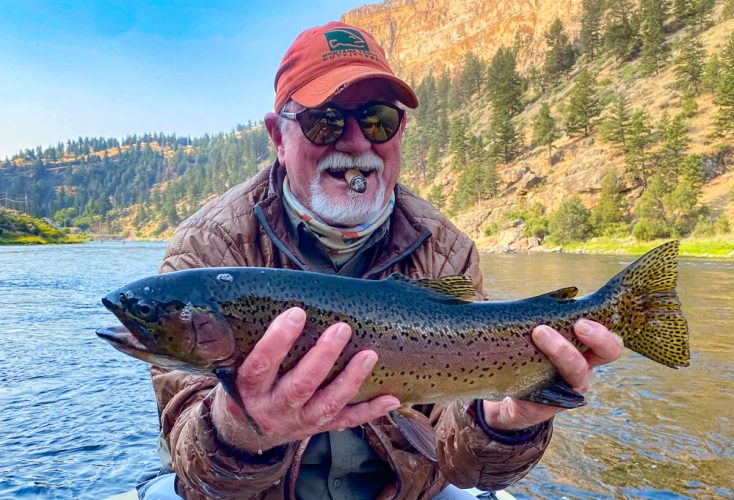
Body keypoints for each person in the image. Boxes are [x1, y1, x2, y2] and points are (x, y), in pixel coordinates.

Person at [138, 21, 623, 500]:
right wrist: (241, 429)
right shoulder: (209, 249)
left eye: (377, 120)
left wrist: (502, 423)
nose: (355, 143)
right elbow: (199, 475)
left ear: (400, 132)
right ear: (278, 137)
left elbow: (466, 466)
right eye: (324, 120)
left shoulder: (446, 249)